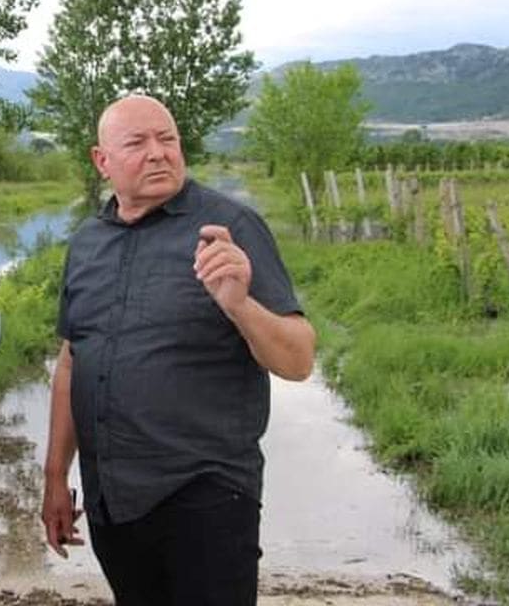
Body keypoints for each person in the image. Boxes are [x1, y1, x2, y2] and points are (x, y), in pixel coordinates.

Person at [40, 94, 316, 606]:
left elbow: (298, 360)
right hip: (113, 499)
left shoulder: (230, 228)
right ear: (101, 161)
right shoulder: (87, 244)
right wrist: (56, 477)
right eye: (137, 143)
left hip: (205, 495)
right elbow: (72, 361)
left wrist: (239, 304)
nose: (158, 153)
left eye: (167, 139)